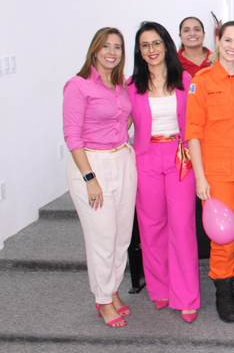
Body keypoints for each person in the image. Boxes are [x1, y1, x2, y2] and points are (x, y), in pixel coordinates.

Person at [186, 21, 234, 323]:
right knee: (222, 237)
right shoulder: (202, 81)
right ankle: (221, 293)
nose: (233, 46)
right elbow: (192, 132)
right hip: (216, 173)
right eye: (227, 40)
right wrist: (200, 178)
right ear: (218, 42)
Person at [126, 22, 199, 323]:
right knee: (152, 225)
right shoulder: (131, 85)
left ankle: (187, 295)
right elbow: (119, 125)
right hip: (145, 157)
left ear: (167, 46)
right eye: (145, 45)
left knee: (181, 225)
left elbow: (195, 123)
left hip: (180, 156)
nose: (152, 50)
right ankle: (160, 288)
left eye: (156, 43)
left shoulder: (184, 78)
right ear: (139, 51)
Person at [63, 27, 136, 328]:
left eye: (117, 47)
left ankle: (113, 289)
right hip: (91, 165)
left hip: (122, 159)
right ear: (94, 50)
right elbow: (72, 136)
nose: (112, 52)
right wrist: (89, 178)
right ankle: (103, 299)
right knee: (102, 238)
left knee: (122, 237)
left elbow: (128, 118)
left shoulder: (122, 85)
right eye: (106, 46)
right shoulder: (78, 86)